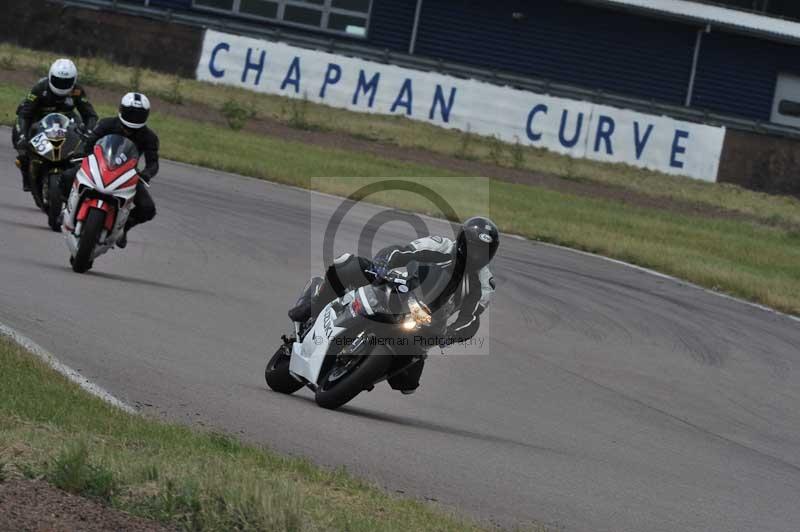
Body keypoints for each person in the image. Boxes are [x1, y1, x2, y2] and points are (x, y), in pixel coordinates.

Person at [288, 216, 499, 393]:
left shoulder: (484, 284)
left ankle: (363, 373)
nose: (477, 255)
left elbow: (471, 319)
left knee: (407, 385)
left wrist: (452, 334)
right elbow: (400, 252)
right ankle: (313, 304)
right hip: (398, 288)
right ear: (462, 241)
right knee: (348, 264)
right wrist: (383, 263)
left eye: (484, 251)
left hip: (428, 321)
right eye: (474, 248)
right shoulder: (440, 246)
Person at [80, 92, 159, 249]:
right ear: (121, 110)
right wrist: (83, 156)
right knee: (67, 176)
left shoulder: (149, 137)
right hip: (99, 165)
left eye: (138, 115)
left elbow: (153, 163)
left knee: (148, 208)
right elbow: (89, 143)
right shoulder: (107, 124)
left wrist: (146, 174)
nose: (133, 118)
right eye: (130, 113)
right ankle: (63, 206)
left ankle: (124, 227)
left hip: (127, 174)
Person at [13, 58, 97, 191]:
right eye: (58, 81)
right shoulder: (40, 88)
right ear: (50, 77)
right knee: (22, 150)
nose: (62, 85)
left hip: (65, 122)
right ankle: (27, 176)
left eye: (66, 82)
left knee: (83, 151)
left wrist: (89, 133)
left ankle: (76, 178)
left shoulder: (77, 91)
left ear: (74, 80)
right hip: (38, 122)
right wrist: (23, 136)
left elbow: (90, 115)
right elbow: (24, 113)